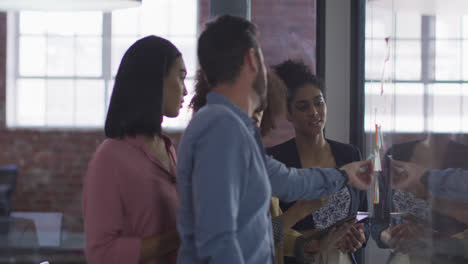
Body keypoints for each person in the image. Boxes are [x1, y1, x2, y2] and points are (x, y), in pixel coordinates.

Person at [176, 15, 373, 264]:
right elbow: (219, 238)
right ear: (252, 59)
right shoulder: (220, 128)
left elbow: (287, 181)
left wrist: (344, 175)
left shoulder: (234, 128)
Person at [82, 36, 187, 264]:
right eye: (180, 77)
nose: (186, 90)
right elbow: (100, 254)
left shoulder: (168, 149)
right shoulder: (110, 158)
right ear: (155, 81)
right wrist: (179, 236)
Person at [267, 59, 368, 264]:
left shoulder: (350, 154)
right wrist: (316, 238)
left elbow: (363, 212)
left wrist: (359, 237)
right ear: (288, 113)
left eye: (318, 102)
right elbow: (267, 232)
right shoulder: (276, 160)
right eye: (303, 106)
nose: (314, 112)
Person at [371, 134, 468, 263]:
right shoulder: (396, 154)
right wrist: (388, 236)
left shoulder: (464, 156)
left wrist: (431, 238)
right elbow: (377, 222)